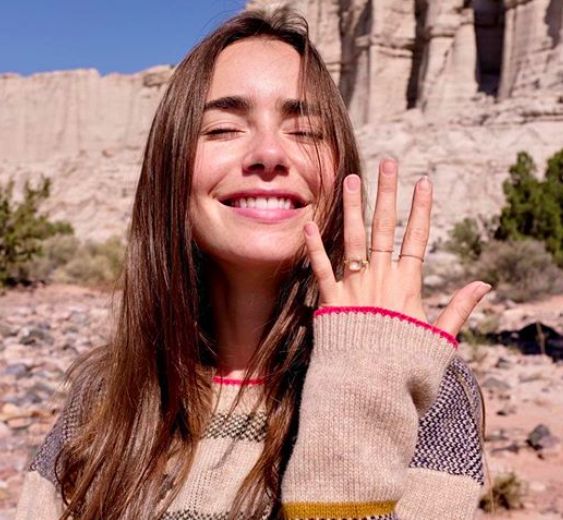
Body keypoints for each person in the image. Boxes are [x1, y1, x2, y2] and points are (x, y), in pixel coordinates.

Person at [16, 7, 489, 520]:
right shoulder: (102, 399)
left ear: (341, 169)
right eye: (221, 129)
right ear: (170, 170)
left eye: (305, 131)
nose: (268, 153)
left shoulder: (419, 385)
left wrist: (363, 384)